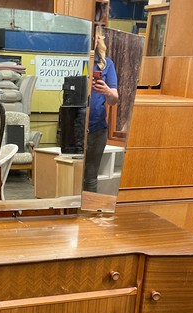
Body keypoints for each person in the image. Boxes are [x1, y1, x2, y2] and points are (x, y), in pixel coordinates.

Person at [83, 32, 119, 193]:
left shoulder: (106, 64)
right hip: (75, 129)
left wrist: (107, 91)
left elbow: (114, 99)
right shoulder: (76, 60)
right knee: (70, 175)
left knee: (90, 177)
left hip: (97, 130)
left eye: (94, 37)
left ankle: (88, 216)